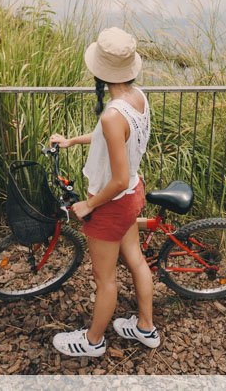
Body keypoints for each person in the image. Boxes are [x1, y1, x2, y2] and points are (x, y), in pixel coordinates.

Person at [48, 27, 159, 357]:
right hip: (132, 195)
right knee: (137, 261)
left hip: (112, 205)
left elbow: (118, 178)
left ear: (100, 70)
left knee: (104, 279)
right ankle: (145, 327)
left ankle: (93, 341)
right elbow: (115, 144)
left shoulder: (112, 115)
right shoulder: (136, 98)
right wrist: (71, 141)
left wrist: (88, 204)